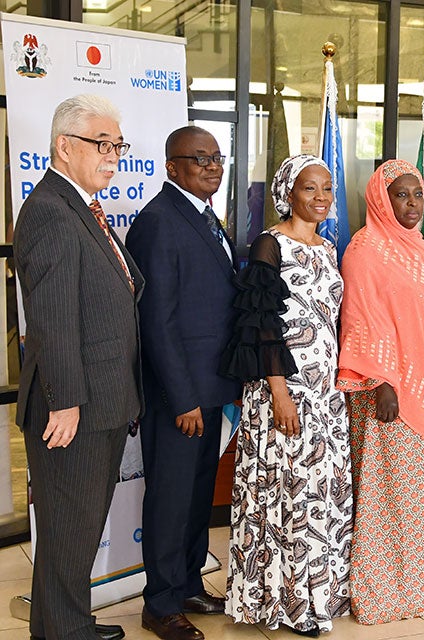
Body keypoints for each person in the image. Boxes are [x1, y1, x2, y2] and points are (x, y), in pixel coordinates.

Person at [14, 94, 143, 640]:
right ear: (65, 147)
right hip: (77, 408)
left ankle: (60, 625)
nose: (113, 155)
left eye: (118, 145)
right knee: (70, 531)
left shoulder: (81, 206)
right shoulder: (50, 211)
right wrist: (65, 400)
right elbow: (52, 318)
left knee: (76, 531)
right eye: (102, 144)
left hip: (105, 398)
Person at [337, 159, 424, 624]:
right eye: (401, 195)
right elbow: (362, 318)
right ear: (380, 198)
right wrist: (383, 383)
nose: (412, 204)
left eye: (417, 195)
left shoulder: (419, 248)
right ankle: (389, 590)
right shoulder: (365, 249)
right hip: (388, 393)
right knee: (391, 497)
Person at [222, 155, 351, 635]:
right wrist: (279, 391)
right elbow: (261, 325)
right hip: (284, 388)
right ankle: (283, 602)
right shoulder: (268, 245)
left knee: (320, 495)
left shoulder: (328, 245)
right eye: (309, 188)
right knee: (287, 494)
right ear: (287, 193)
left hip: (324, 391)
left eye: (327, 189)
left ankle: (318, 593)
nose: (320, 197)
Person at [125, 126, 240, 640]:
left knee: (196, 497)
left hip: (212, 389)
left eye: (217, 157)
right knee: (170, 499)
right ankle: (161, 603)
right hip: (181, 396)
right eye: (200, 158)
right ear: (172, 166)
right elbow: (157, 321)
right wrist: (183, 398)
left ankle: (190, 582)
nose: (212, 165)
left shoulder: (204, 215)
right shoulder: (157, 222)